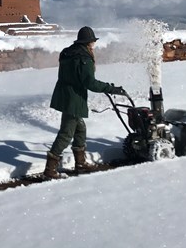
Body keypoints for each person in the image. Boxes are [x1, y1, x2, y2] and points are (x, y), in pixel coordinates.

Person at [45, 26, 126, 179]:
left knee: (80, 128)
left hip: (64, 94)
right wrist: (111, 88)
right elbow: (90, 83)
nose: (94, 44)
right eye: (93, 42)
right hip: (74, 98)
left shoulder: (68, 52)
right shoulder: (84, 58)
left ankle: (80, 163)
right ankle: (50, 170)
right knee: (66, 133)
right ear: (89, 42)